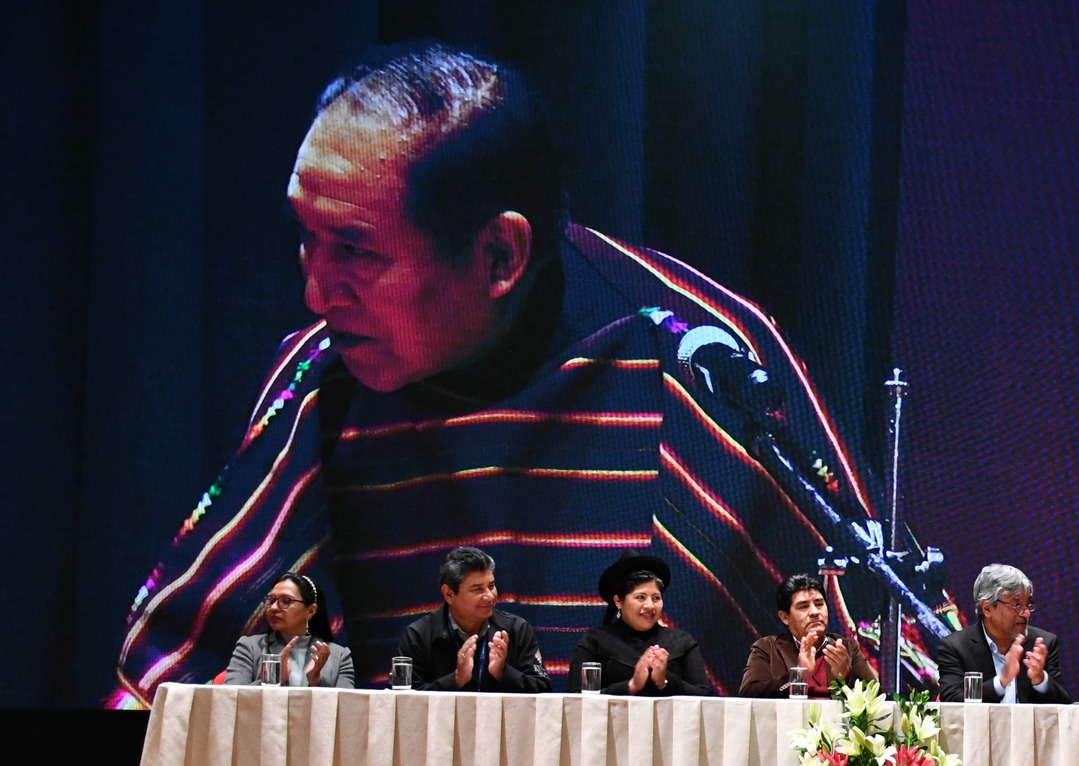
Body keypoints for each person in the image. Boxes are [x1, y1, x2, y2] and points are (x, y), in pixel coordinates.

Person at [111, 44, 954, 706]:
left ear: (500, 254)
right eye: (308, 237)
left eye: (357, 251)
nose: (315, 289)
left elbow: (883, 649)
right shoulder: (326, 377)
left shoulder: (699, 350)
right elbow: (176, 679)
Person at [395, 546, 551, 692]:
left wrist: (504, 673)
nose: (489, 596)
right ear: (449, 594)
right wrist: (455, 680)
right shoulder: (418, 636)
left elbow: (544, 689)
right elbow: (403, 702)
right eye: (477, 589)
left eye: (491, 586)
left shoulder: (516, 629)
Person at [570, 554, 712, 696]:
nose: (650, 605)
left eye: (656, 598)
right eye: (640, 597)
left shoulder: (681, 642)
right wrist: (632, 685)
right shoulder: (594, 641)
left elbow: (703, 695)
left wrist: (664, 681)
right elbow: (577, 699)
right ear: (618, 601)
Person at [932, 565, 1072, 704]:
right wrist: (1002, 681)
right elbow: (952, 702)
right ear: (987, 608)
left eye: (1027, 604)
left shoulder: (1042, 644)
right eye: (1016, 605)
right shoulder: (956, 647)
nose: (1026, 613)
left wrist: (1040, 679)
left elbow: (1065, 709)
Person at [737, 573, 877, 697]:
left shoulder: (847, 647)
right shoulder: (767, 648)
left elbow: (877, 696)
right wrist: (799, 676)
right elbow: (749, 693)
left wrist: (846, 675)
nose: (815, 612)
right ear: (785, 617)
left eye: (819, 604)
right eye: (803, 606)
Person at [221, 573, 354, 687]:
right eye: (271, 600)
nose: (273, 608)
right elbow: (232, 698)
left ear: (310, 611)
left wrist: (317, 682)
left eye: (286, 601)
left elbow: (347, 709)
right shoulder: (249, 647)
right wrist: (273, 679)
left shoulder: (339, 656)